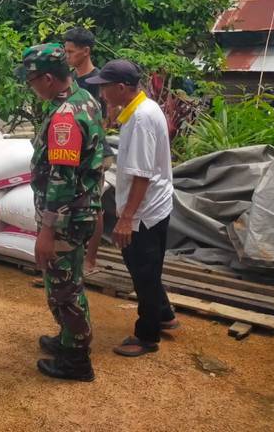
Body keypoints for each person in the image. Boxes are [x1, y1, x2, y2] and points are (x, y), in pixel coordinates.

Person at [15, 43, 105, 382]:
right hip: (80, 212)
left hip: (66, 218)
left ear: (49, 79)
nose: (31, 86)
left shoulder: (66, 116)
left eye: (32, 80)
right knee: (68, 281)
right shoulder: (85, 100)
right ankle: (68, 339)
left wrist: (47, 231)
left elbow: (61, 180)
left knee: (65, 289)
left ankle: (76, 361)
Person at [86, 59, 179, 357]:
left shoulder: (140, 119)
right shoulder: (142, 109)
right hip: (155, 205)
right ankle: (165, 316)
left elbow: (142, 175)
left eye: (105, 88)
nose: (102, 94)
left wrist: (126, 219)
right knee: (149, 268)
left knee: (143, 273)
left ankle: (147, 335)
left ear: (122, 88)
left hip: (144, 212)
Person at [63, 27, 114, 273]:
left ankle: (90, 260)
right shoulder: (69, 80)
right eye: (66, 50)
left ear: (86, 51)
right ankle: (71, 255)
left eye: (71, 51)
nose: (67, 55)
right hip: (70, 150)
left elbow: (105, 120)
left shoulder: (99, 82)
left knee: (94, 205)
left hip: (93, 151)